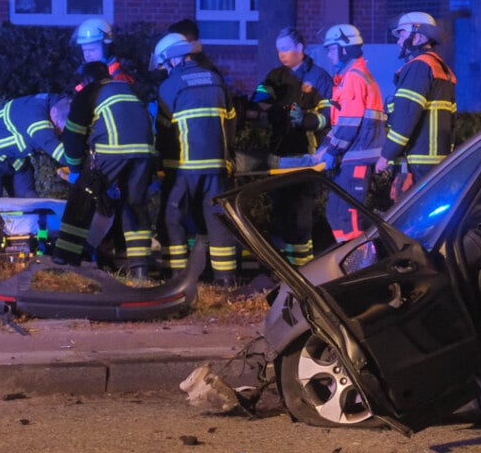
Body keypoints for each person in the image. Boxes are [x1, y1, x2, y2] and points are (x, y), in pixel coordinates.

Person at [52, 61, 156, 278]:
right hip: (145, 151)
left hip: (112, 149)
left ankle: (66, 261)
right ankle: (140, 269)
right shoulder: (127, 88)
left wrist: (75, 169)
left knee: (82, 197)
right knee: (134, 204)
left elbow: (72, 136)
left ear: (87, 80)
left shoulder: (90, 92)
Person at [153, 32, 239, 287]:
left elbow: (164, 132)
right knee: (216, 220)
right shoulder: (216, 79)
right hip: (218, 167)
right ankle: (226, 281)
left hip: (184, 169)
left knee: (173, 218)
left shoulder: (170, 85)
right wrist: (228, 158)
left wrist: (163, 166)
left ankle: (179, 279)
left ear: (172, 60)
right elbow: (232, 121)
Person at [252, 27, 334, 266]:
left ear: (301, 48)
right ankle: (288, 268)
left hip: (306, 155)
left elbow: (329, 116)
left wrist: (306, 120)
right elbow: (258, 96)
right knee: (282, 212)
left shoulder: (319, 77)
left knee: (300, 212)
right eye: (278, 50)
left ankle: (303, 268)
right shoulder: (275, 76)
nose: (282, 55)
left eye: (286, 49)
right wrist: (262, 99)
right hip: (279, 155)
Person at [312, 23, 386, 242]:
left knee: (348, 215)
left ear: (345, 48)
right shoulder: (347, 78)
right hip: (351, 155)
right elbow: (340, 125)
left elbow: (349, 124)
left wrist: (331, 152)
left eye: (332, 48)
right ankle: (345, 258)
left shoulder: (354, 78)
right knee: (335, 212)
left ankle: (359, 265)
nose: (328, 53)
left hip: (358, 155)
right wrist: (322, 150)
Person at [375, 12, 457, 193]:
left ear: (418, 36)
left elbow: (405, 118)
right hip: (438, 160)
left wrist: (386, 155)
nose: (398, 41)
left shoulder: (418, 67)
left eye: (402, 34)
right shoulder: (440, 68)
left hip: (419, 162)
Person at [0, 93, 71, 197]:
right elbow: (55, 148)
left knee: (29, 200)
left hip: (17, 161)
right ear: (54, 111)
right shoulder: (35, 117)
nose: (58, 131)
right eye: (58, 127)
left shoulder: (52, 103)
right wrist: (80, 165)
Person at [73, 18, 135, 87]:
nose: (87, 55)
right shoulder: (90, 75)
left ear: (107, 48)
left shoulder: (119, 79)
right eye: (84, 50)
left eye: (92, 50)